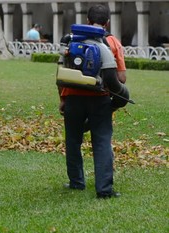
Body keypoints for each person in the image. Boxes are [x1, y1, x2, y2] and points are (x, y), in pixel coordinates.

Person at [58, 4, 121, 199]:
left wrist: (62, 99)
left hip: (72, 99)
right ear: (107, 22)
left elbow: (60, 74)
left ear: (86, 21)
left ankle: (76, 182)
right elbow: (119, 79)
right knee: (101, 141)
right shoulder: (110, 43)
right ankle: (104, 189)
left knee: (73, 141)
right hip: (100, 99)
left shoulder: (69, 42)